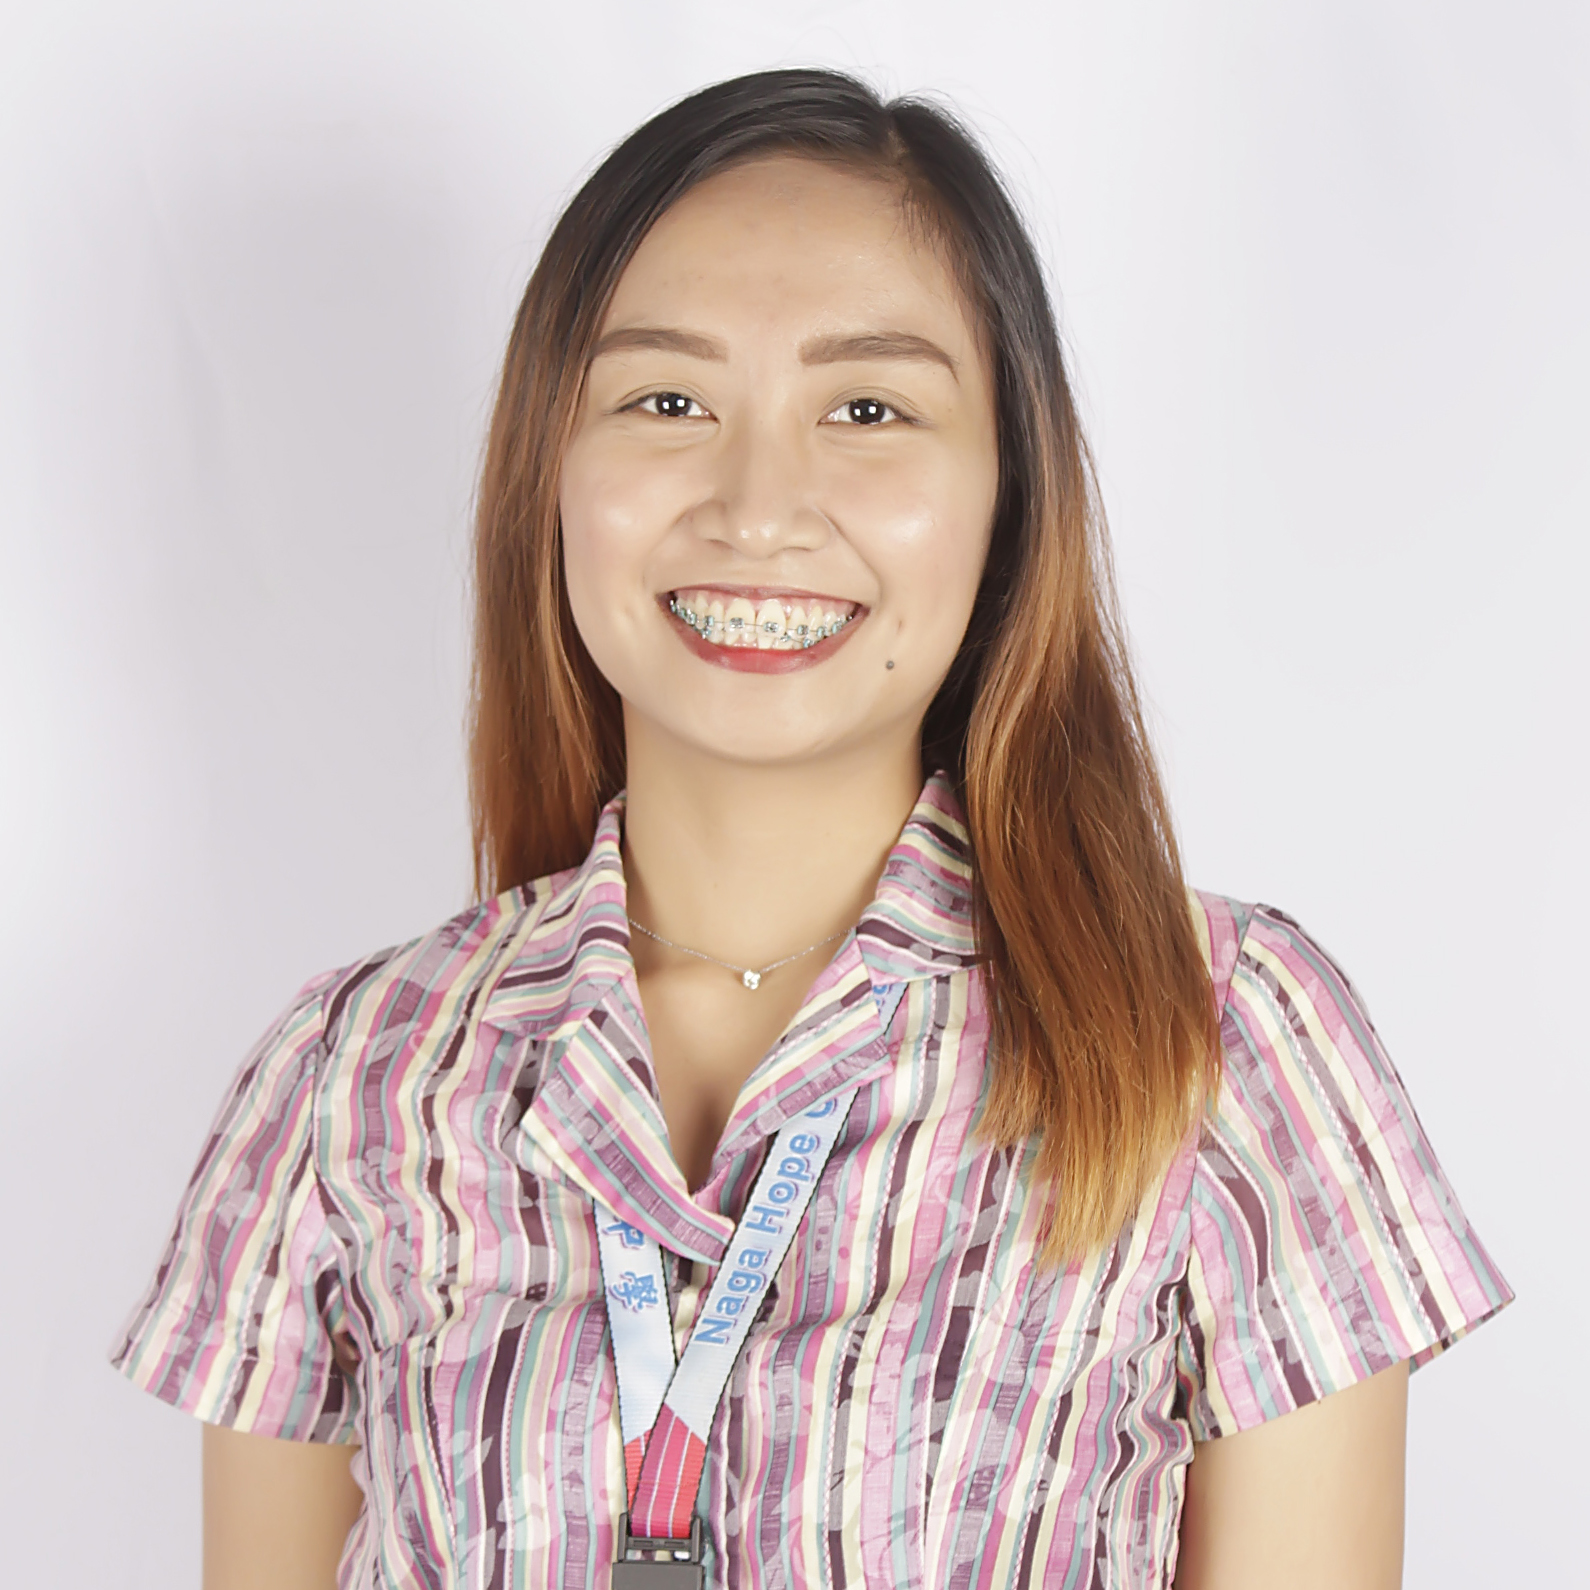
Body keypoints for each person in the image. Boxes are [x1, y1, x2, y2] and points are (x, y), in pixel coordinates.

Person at [110, 69, 1511, 1590]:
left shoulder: (1219, 1042)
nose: (759, 504)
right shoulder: (348, 1077)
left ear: (1008, 488)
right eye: (667, 401)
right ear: (549, 471)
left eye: (867, 409)